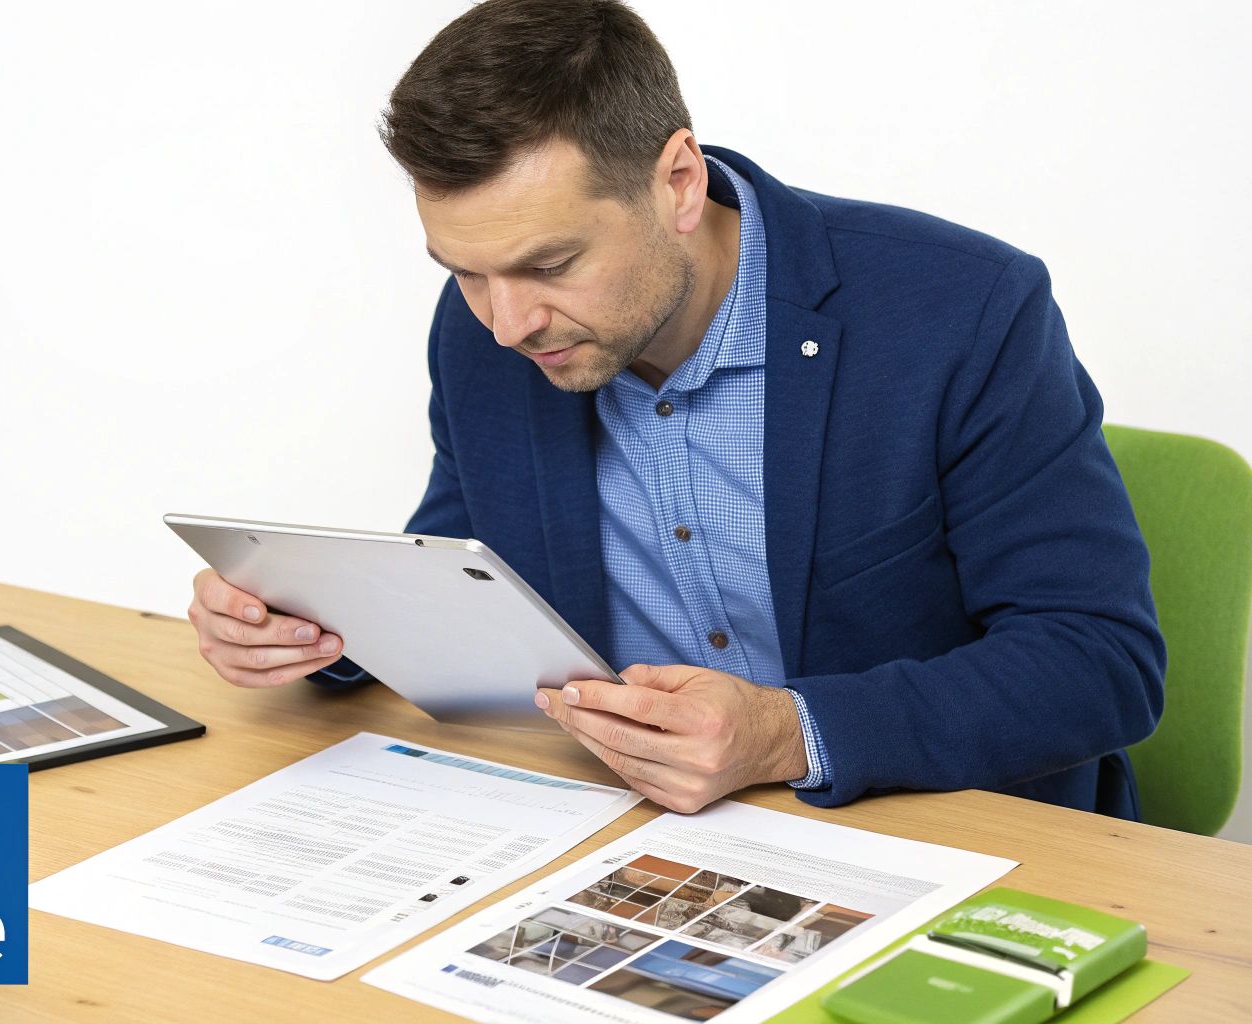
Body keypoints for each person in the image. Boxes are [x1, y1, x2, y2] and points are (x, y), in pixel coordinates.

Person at [188, 0, 1165, 820]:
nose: (504, 322)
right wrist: (317, 629)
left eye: (548, 264)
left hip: (935, 829)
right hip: (641, 835)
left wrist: (784, 731)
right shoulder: (487, 326)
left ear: (678, 184)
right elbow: (467, 567)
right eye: (464, 273)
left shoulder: (959, 310)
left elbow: (1098, 660)